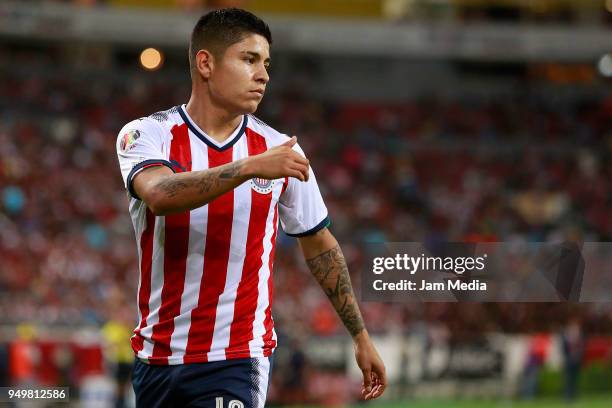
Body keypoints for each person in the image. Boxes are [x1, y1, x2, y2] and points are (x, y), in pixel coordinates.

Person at [115, 8, 386, 408]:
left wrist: (360, 336)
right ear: (205, 63)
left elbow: (319, 243)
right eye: (249, 59)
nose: (264, 75)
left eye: (267, 64)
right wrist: (247, 168)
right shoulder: (147, 134)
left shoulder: (280, 150)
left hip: (236, 358)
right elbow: (159, 194)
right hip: (157, 359)